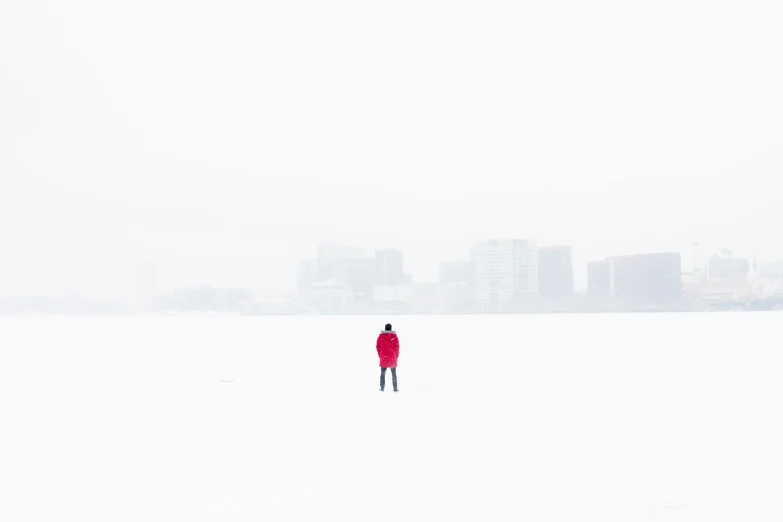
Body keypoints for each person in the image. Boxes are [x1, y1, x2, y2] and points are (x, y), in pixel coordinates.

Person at [376, 323, 399, 392]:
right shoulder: (394, 337)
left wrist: (381, 356)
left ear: (385, 328)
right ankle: (395, 388)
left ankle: (382, 388)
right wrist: (395, 357)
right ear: (391, 328)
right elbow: (397, 348)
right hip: (392, 357)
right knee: (393, 374)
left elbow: (378, 348)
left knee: (382, 374)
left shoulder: (380, 337)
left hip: (384, 357)